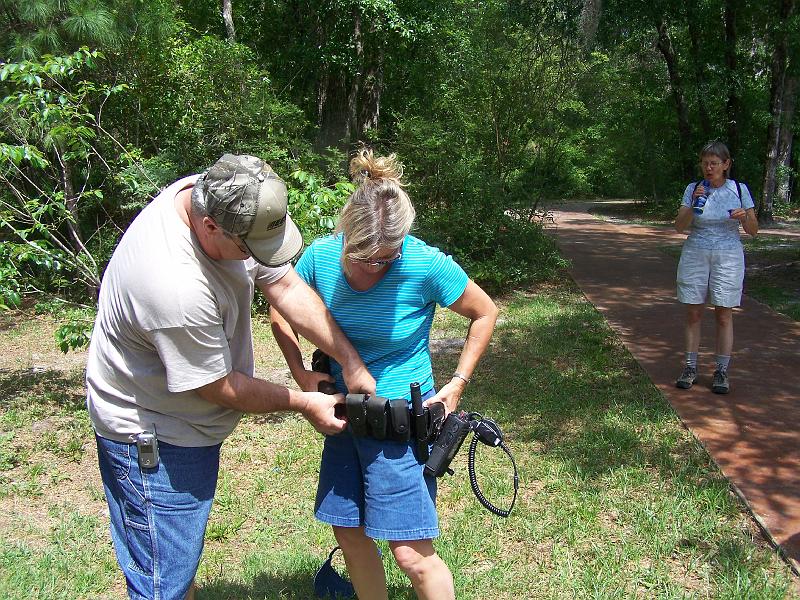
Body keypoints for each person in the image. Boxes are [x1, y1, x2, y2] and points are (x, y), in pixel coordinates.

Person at [86, 153, 376, 600]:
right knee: (163, 579)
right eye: (248, 249)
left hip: (186, 419)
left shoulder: (223, 192)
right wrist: (302, 402)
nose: (255, 258)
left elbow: (282, 282)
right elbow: (216, 384)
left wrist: (350, 361)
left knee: (175, 564)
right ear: (209, 227)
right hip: (153, 433)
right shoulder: (171, 283)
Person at [270, 149, 498, 600]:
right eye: (362, 256)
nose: (373, 266)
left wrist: (456, 384)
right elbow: (281, 311)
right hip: (342, 420)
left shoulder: (424, 264)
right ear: (346, 236)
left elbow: (485, 312)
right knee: (350, 536)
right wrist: (300, 371)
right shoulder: (320, 257)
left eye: (385, 258)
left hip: (399, 429)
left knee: (411, 554)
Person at [674, 141, 758, 394]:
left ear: (726, 164)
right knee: (694, 313)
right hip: (695, 253)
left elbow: (753, 231)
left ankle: (721, 371)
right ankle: (690, 367)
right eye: (705, 163)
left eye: (714, 163)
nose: (709, 168)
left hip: (728, 256)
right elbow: (679, 226)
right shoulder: (693, 188)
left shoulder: (739, 190)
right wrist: (693, 203)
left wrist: (745, 217)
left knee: (723, 313)